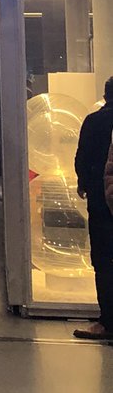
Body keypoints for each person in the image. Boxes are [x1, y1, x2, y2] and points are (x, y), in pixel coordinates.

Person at [72, 76, 113, 341]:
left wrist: (84, 183)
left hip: (101, 199)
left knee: (104, 259)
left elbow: (82, 158)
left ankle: (107, 321)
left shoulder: (94, 121)